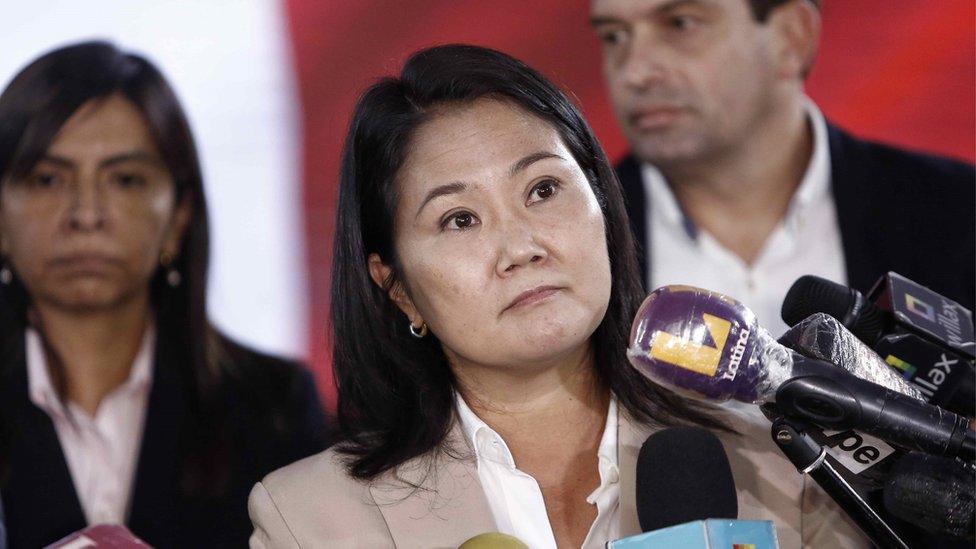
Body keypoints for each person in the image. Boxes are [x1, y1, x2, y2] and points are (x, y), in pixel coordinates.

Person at [248, 44, 866, 548]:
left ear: (602, 202)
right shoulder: (309, 519)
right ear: (399, 289)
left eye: (543, 189)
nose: (521, 247)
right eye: (459, 220)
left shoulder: (781, 463)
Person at [0, 41, 330, 548]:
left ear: (179, 217)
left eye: (125, 179)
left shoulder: (277, 409)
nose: (86, 215)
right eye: (47, 179)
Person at [590, 0, 975, 337]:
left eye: (680, 23)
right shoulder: (571, 240)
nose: (635, 73)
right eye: (614, 36)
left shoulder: (960, 213)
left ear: (792, 37)